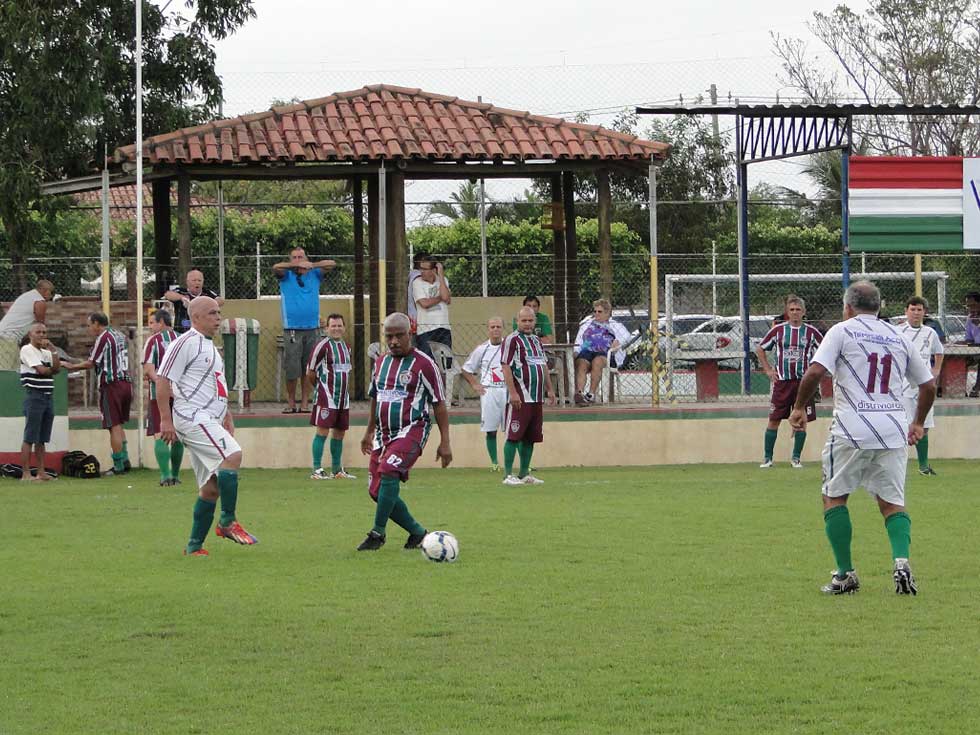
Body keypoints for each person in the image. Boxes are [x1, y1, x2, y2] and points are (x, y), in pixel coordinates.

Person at [789, 280, 935, 596]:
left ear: (848, 307)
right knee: (892, 503)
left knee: (834, 497)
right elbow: (928, 385)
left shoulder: (842, 331)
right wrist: (918, 423)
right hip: (893, 430)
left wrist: (799, 407)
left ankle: (845, 574)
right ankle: (901, 562)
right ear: (879, 307)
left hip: (852, 429)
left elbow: (815, 372)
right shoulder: (898, 335)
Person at [156, 296, 258, 556]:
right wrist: (165, 419)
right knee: (232, 455)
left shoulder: (210, 346)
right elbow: (163, 379)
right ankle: (227, 521)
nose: (218, 318)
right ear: (196, 317)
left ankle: (194, 547)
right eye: (212, 313)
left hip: (209, 418)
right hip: (192, 416)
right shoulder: (184, 343)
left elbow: (215, 385)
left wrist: (227, 414)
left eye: (218, 313)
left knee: (211, 487)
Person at [357, 312, 452, 551]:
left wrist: (445, 442)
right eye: (389, 336)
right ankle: (418, 533)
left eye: (399, 336)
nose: (394, 341)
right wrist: (368, 431)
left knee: (389, 471)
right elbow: (376, 397)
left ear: (410, 334)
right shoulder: (380, 363)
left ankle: (377, 533)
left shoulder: (425, 364)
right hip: (383, 435)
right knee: (376, 492)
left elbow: (439, 404)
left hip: (412, 430)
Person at [755, 295, 823, 469]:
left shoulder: (811, 332)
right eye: (791, 310)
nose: (795, 313)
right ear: (787, 312)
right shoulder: (778, 330)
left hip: (804, 383)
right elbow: (760, 349)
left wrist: (815, 370)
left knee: (801, 419)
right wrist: (768, 370)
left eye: (798, 310)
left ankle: (796, 459)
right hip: (782, 382)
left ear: (804, 312)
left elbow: (824, 350)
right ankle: (768, 459)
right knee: (774, 419)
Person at [63, 313, 133, 476]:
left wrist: (70, 366)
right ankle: (125, 460)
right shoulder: (119, 335)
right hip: (125, 382)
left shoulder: (103, 337)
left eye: (89, 325)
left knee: (113, 425)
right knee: (119, 424)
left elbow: (91, 362)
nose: (89, 329)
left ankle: (118, 465)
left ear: (96, 323)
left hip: (111, 384)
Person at [271, 247, 336, 413]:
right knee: (292, 369)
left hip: (312, 329)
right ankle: (291, 402)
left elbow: (331, 263)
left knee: (309, 367)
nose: (298, 260)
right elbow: (276, 267)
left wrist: (311, 265)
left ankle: (305, 402)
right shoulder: (286, 275)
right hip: (292, 329)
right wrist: (294, 266)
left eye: (301, 257)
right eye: (294, 257)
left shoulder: (314, 274)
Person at [501, 306, 556, 485]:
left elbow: (543, 365)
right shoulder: (512, 340)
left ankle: (524, 474)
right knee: (513, 435)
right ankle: (507, 475)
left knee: (530, 438)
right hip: (521, 396)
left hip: (536, 397)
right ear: (517, 321)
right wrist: (513, 392)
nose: (527, 324)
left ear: (535, 322)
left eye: (530, 320)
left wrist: (550, 389)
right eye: (523, 320)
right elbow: (506, 366)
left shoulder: (536, 340)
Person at [307, 313, 356, 480]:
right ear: (326, 328)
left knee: (340, 432)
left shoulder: (346, 347)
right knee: (322, 431)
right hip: (326, 396)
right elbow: (310, 372)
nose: (336, 329)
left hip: (343, 398)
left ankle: (336, 470)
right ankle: (316, 469)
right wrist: (320, 388)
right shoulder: (322, 346)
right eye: (333, 326)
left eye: (339, 325)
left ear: (344, 328)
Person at [899, 296, 944, 476]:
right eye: (913, 309)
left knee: (924, 425)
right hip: (903, 386)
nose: (916, 313)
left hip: (924, 386)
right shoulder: (898, 331)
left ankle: (923, 466)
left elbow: (939, 351)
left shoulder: (930, 333)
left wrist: (936, 369)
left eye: (919, 310)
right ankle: (898, 465)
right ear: (906, 311)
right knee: (902, 426)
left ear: (924, 312)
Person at [142, 309, 184, 486]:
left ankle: (165, 476)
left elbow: (148, 369)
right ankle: (176, 476)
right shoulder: (182, 339)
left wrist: (163, 385)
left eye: (152, 323)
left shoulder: (153, 341)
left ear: (161, 323)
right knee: (178, 434)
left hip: (158, 394)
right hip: (181, 395)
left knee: (160, 434)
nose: (151, 326)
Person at [461, 317, 507, 471]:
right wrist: (475, 384)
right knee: (491, 430)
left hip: (508, 391)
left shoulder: (509, 347)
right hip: (489, 391)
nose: (495, 330)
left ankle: (523, 464)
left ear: (503, 328)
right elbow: (466, 369)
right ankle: (494, 463)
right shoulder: (481, 349)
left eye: (498, 327)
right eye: (492, 327)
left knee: (515, 430)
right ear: (488, 329)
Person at [19, 322, 60, 481]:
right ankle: (26, 473)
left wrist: (54, 351)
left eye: (44, 332)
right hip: (35, 396)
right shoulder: (27, 349)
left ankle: (41, 472)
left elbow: (56, 368)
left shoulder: (46, 352)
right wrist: (51, 370)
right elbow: (42, 371)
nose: (42, 335)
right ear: (30, 334)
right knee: (30, 436)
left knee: (42, 438)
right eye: (38, 332)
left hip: (48, 397)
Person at [572, 298, 630, 406]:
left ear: (607, 313)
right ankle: (579, 394)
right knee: (581, 362)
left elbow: (627, 337)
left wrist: (618, 342)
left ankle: (590, 395)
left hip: (605, 353)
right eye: (595, 311)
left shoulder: (615, 325)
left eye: (600, 312)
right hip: (587, 351)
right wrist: (576, 352)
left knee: (597, 361)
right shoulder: (586, 324)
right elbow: (578, 341)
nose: (596, 314)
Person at [0, 280, 55, 370]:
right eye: (51, 292)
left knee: (15, 370)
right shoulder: (39, 301)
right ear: (46, 291)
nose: (51, 295)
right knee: (5, 371)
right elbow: (40, 326)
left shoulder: (28, 296)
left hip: (8, 336)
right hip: (8, 337)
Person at [412, 252, 452, 359]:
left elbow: (447, 299)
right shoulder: (417, 282)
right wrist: (440, 297)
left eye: (425, 269)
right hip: (426, 329)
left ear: (434, 270)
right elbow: (425, 303)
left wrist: (441, 276)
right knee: (427, 360)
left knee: (446, 361)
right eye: (421, 268)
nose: (421, 272)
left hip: (443, 326)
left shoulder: (443, 281)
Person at [163, 269, 224, 334]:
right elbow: (168, 294)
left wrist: (206, 305)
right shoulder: (181, 291)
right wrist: (182, 298)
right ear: (187, 282)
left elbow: (221, 300)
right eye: (194, 280)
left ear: (203, 282)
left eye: (199, 280)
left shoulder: (207, 293)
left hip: (202, 333)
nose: (197, 283)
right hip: (181, 332)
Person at [962, 291, 980, 397]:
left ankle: (977, 388)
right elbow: (969, 339)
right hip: (975, 348)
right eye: (968, 306)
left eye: (973, 305)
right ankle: (959, 388)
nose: (970, 309)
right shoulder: (970, 318)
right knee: (958, 359)